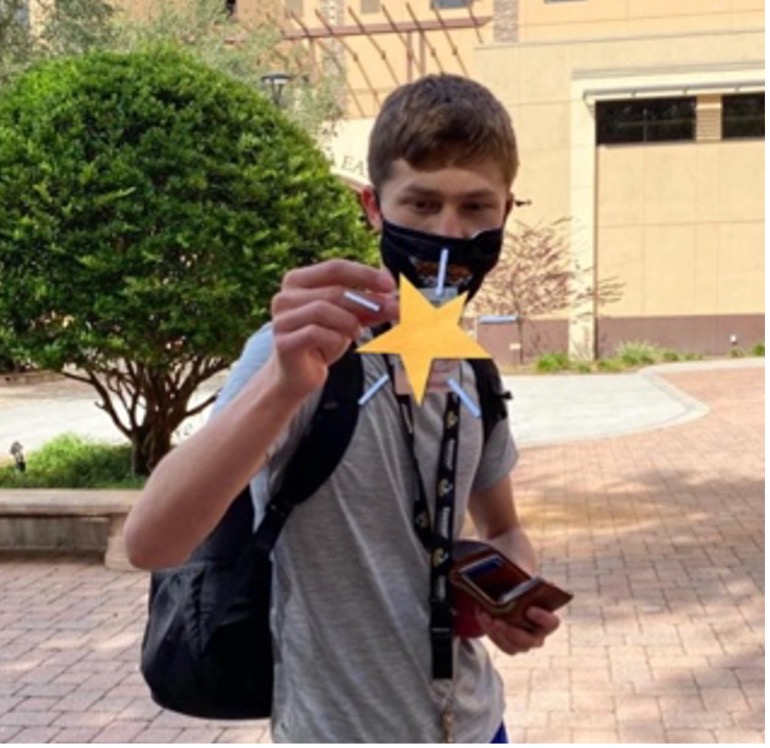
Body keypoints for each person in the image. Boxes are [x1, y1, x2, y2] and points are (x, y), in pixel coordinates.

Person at [124, 73, 561, 743]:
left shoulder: (475, 372)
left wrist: (513, 599)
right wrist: (282, 386)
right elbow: (152, 541)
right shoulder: (297, 354)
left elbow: (503, 529)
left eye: (476, 208)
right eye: (421, 204)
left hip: (477, 725)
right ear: (373, 208)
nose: (449, 233)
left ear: (506, 211)